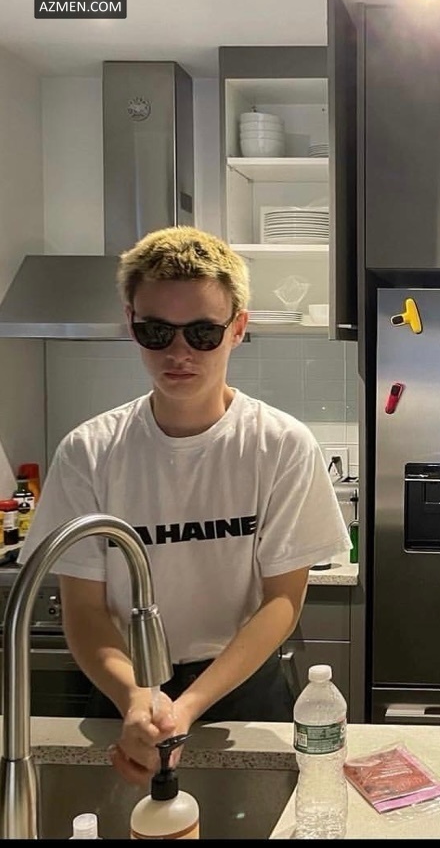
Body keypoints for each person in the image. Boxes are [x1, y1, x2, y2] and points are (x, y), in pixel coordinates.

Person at [18, 225, 351, 786]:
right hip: (124, 692)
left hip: (241, 685)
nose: (179, 353)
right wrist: (137, 698)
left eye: (202, 333)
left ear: (237, 329)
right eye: (156, 331)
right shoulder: (88, 451)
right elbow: (84, 609)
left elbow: (282, 601)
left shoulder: (280, 445)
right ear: (131, 324)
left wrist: (188, 706)